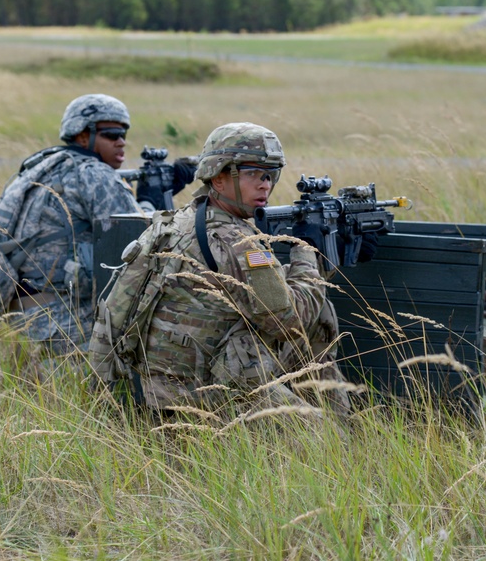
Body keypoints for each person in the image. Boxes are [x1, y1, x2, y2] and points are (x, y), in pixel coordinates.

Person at [89, 122, 351, 417]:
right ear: (218, 177)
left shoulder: (176, 221)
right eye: (252, 173)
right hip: (207, 395)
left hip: (162, 387)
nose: (265, 184)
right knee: (328, 443)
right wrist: (306, 251)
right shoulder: (238, 243)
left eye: (270, 174)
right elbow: (288, 323)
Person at [0, 94, 195, 364]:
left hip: (22, 305)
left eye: (124, 133)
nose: (121, 141)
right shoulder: (95, 175)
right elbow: (139, 239)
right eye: (111, 134)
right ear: (83, 137)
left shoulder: (42, 165)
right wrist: (151, 197)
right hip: (61, 313)